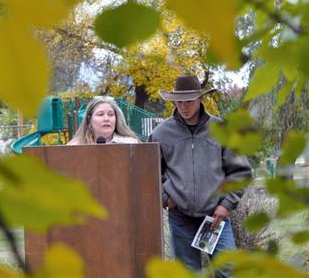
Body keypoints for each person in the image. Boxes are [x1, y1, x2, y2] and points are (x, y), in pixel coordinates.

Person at [148, 75, 252, 277]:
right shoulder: (161, 133)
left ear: (200, 100)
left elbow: (240, 171)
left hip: (214, 218)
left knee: (227, 272)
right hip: (180, 218)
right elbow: (150, 172)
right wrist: (166, 199)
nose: (183, 107)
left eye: (188, 101)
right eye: (179, 102)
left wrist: (226, 204)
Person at [68, 96, 140, 145]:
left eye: (111, 114)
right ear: (89, 119)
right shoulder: (75, 146)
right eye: (100, 114)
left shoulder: (130, 143)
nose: (106, 119)